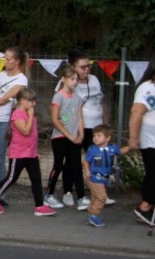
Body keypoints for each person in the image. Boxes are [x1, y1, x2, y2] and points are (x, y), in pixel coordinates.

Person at [0, 89, 56, 217]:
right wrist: (32, 115)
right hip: (19, 153)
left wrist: (31, 115)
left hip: (31, 153)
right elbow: (25, 131)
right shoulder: (17, 114)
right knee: (11, 178)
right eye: (31, 101)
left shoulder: (29, 113)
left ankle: (39, 205)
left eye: (34, 101)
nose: (33, 104)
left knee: (36, 178)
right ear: (22, 101)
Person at [68, 50, 115, 205]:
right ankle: (69, 192)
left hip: (95, 128)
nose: (86, 70)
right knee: (73, 161)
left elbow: (101, 101)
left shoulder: (94, 80)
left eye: (88, 66)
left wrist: (104, 124)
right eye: (82, 67)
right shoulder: (68, 81)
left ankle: (100, 193)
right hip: (77, 127)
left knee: (98, 160)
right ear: (73, 67)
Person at [0, 46, 29, 199]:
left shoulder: (21, 79)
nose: (5, 61)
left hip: (0, 120)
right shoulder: (0, 74)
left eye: (8, 59)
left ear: (17, 61)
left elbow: (3, 100)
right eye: (4, 58)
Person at [44, 64, 88, 211]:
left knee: (76, 166)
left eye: (76, 79)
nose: (74, 82)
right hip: (60, 137)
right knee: (58, 165)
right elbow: (55, 119)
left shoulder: (77, 98)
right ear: (64, 79)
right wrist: (68, 134)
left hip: (74, 138)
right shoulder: (58, 96)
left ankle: (81, 197)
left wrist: (81, 134)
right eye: (71, 79)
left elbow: (79, 117)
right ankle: (49, 195)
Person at [82, 124, 128, 228]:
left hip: (104, 178)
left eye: (99, 135)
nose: (95, 138)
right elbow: (86, 161)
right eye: (94, 135)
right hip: (94, 177)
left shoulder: (112, 148)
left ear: (107, 138)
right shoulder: (92, 149)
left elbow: (120, 152)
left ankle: (91, 215)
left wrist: (130, 146)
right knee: (102, 197)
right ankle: (94, 215)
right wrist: (87, 171)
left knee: (95, 197)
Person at [128, 60, 155, 225]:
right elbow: (136, 112)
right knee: (154, 174)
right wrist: (133, 138)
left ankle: (148, 205)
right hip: (151, 140)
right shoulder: (147, 88)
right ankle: (144, 206)